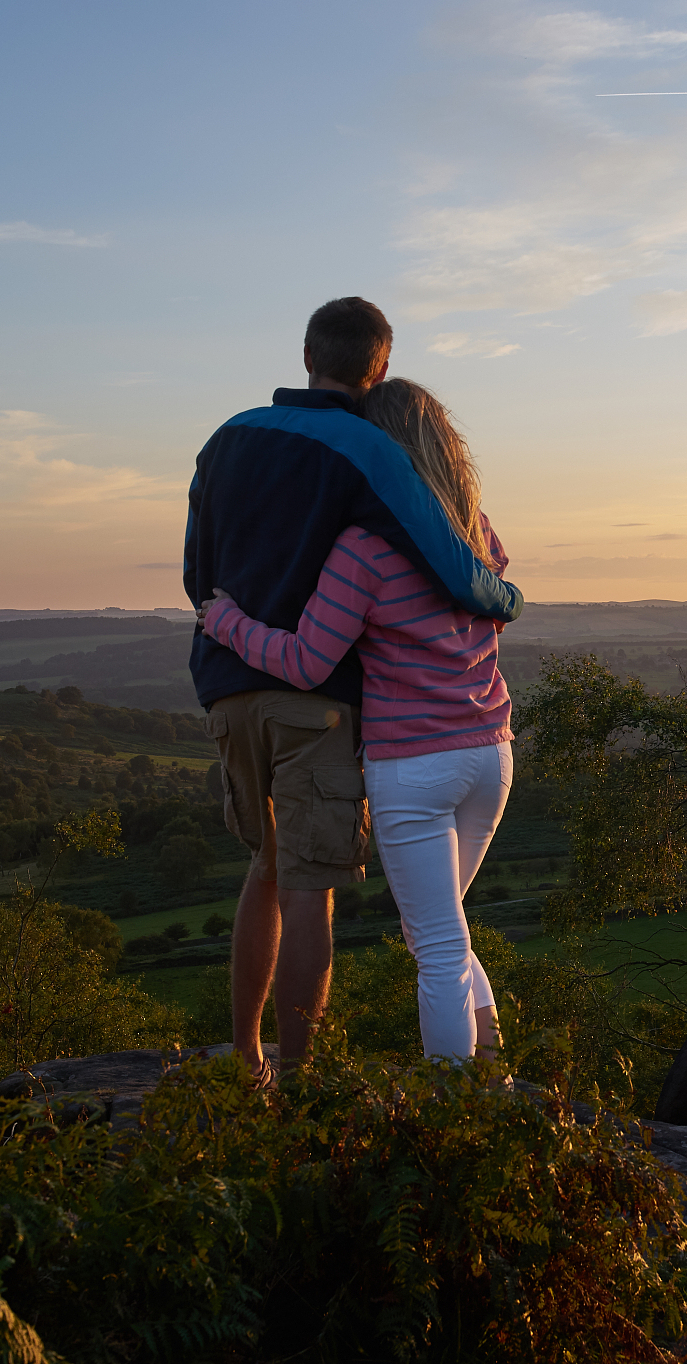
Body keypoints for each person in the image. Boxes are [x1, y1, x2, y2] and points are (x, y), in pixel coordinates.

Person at [184, 300, 522, 1081]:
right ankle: (311, 1082)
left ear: (305, 352)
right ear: (377, 368)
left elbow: (198, 569)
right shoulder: (388, 469)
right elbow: (458, 566)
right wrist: (500, 599)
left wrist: (223, 621)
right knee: (350, 900)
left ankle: (245, 1057)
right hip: (350, 713)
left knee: (272, 870)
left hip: (232, 689)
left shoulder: (226, 438)